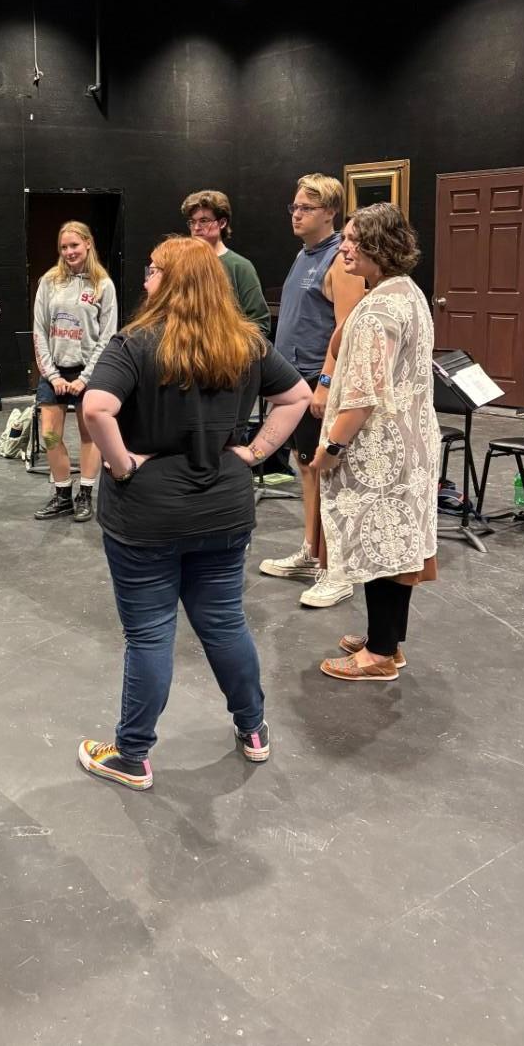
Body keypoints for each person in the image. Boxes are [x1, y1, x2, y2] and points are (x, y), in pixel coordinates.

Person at [77, 237, 311, 790]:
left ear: (175, 280)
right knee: (225, 623)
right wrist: (254, 452)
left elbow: (94, 407)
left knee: (150, 635)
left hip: (147, 517)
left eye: (153, 270)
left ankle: (132, 756)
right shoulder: (246, 343)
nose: (145, 280)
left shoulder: (133, 344)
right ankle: (253, 730)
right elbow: (298, 396)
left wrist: (122, 466)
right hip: (224, 512)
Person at [310, 205, 438, 681]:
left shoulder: (378, 309)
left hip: (380, 452)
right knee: (395, 545)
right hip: (412, 443)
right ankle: (387, 640)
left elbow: (361, 397)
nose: (343, 248)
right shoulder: (408, 294)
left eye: (352, 240)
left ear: (377, 247)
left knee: (381, 548)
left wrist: (332, 450)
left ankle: (380, 655)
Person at [258, 174, 367, 607]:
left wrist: (324, 383)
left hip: (316, 382)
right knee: (305, 467)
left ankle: (335, 569)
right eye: (294, 207)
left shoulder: (338, 259)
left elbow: (346, 328)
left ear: (330, 213)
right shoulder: (304, 255)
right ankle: (312, 552)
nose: (296, 214)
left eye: (305, 208)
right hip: (295, 380)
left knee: (323, 470)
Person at [32, 221, 118, 523]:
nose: (69, 252)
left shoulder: (103, 285)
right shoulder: (49, 281)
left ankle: (85, 494)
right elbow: (39, 330)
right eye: (64, 247)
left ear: (88, 244)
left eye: (74, 246)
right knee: (50, 436)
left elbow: (108, 336)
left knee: (89, 435)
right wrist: (53, 375)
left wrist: (85, 378)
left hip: (89, 372)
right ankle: (62, 495)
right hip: (54, 371)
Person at [181, 189, 271, 334]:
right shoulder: (180, 264)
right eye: (192, 222)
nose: (196, 228)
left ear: (222, 223)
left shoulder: (240, 267)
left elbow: (260, 324)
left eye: (204, 221)